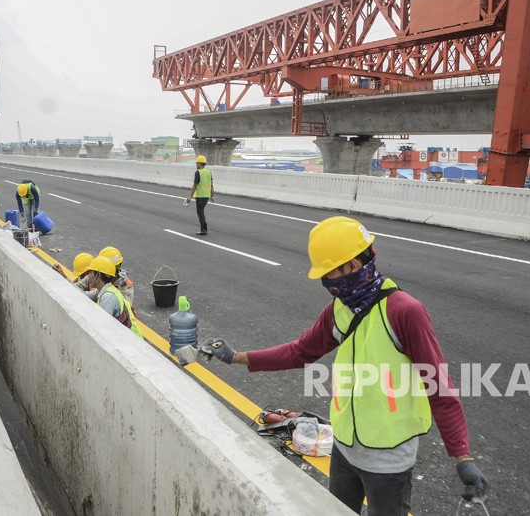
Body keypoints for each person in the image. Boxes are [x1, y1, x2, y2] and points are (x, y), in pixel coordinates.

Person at [198, 216, 489, 515]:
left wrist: (462, 458)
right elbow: (301, 352)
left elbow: (439, 387)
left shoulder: (404, 312)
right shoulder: (341, 308)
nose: (327, 283)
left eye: (329, 273)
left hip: (388, 462)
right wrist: (235, 357)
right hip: (345, 450)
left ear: (352, 265)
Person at [85, 256, 142, 339]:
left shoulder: (108, 298)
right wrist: (65, 278)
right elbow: (83, 295)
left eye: (90, 272)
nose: (87, 276)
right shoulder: (105, 289)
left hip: (131, 341)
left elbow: (102, 329)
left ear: (98, 275)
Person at [184, 154, 213, 236]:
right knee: (201, 211)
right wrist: (212, 195)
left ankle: (204, 230)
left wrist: (190, 196)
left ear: (200, 163)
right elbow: (211, 185)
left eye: (197, 163)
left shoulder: (198, 172)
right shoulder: (208, 172)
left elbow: (195, 185)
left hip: (200, 196)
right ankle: (204, 229)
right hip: (206, 196)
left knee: (200, 212)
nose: (196, 165)